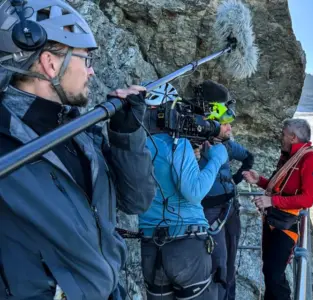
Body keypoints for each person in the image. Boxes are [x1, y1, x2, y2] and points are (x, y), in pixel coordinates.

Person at [0, 1, 156, 299]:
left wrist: (126, 135)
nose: (92, 71)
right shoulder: (5, 141)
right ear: (50, 63)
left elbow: (136, 201)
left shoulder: (83, 135)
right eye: (86, 58)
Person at [138, 81, 230, 300]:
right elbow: (194, 191)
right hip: (186, 245)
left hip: (151, 245)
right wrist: (215, 161)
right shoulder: (176, 144)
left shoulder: (136, 145)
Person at [243, 118, 313, 300]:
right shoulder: (290, 156)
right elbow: (280, 187)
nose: (281, 138)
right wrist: (259, 181)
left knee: (273, 273)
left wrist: (272, 202)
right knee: (270, 271)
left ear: (293, 137)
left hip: (286, 225)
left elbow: (307, 199)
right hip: (274, 220)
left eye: (283, 135)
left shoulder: (310, 160)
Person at [196, 81, 254, 300]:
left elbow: (249, 157)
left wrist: (235, 181)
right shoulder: (195, 146)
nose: (230, 128)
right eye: (226, 123)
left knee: (228, 265)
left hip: (228, 208)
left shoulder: (226, 144)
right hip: (211, 212)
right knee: (218, 265)